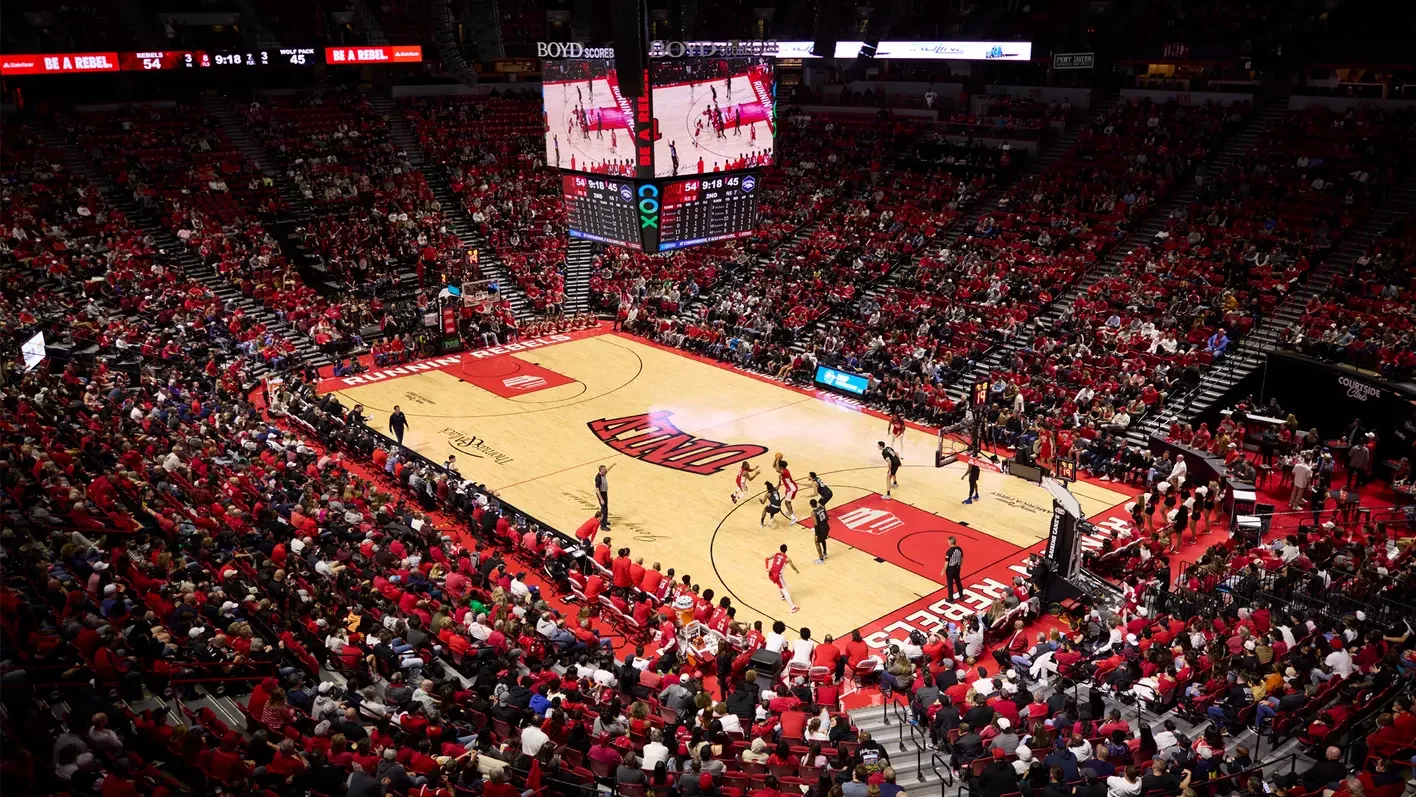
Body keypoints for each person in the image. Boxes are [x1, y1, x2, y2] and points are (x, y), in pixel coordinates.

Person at [767, 544, 801, 613]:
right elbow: (793, 566)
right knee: (785, 589)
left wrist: (767, 567)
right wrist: (796, 570)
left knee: (783, 584)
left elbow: (767, 558)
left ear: (780, 549)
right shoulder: (787, 559)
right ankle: (792, 607)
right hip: (777, 575)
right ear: (786, 550)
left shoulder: (775, 554)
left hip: (772, 573)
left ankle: (782, 595)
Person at [777, 458, 801, 522]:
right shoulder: (784, 470)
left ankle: (793, 517)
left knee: (787, 502)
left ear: (781, 467)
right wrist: (776, 460)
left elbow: (777, 469)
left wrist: (777, 460)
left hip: (791, 489)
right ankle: (790, 512)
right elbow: (774, 466)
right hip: (791, 488)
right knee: (788, 502)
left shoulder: (785, 472)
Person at [943, 537, 965, 601]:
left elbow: (946, 563)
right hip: (957, 568)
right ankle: (961, 596)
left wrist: (943, 570)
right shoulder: (959, 549)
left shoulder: (949, 551)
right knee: (958, 582)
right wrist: (959, 566)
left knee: (950, 583)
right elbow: (962, 559)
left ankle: (951, 599)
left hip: (950, 569)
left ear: (950, 543)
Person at [596, 463, 616, 530]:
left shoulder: (603, 473)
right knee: (604, 509)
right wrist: (601, 499)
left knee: (604, 508)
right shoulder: (598, 478)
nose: (605, 471)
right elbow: (597, 490)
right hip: (601, 494)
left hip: (604, 493)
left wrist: (612, 465)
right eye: (604, 470)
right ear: (601, 471)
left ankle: (603, 520)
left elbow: (608, 470)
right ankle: (603, 526)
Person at [811, 499, 831, 564]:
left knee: (816, 542)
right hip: (826, 527)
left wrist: (816, 534)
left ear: (811, 505)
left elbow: (816, 524)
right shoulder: (822, 507)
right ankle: (825, 553)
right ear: (816, 503)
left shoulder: (813, 513)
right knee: (823, 539)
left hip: (821, 529)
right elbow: (827, 516)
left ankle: (821, 559)